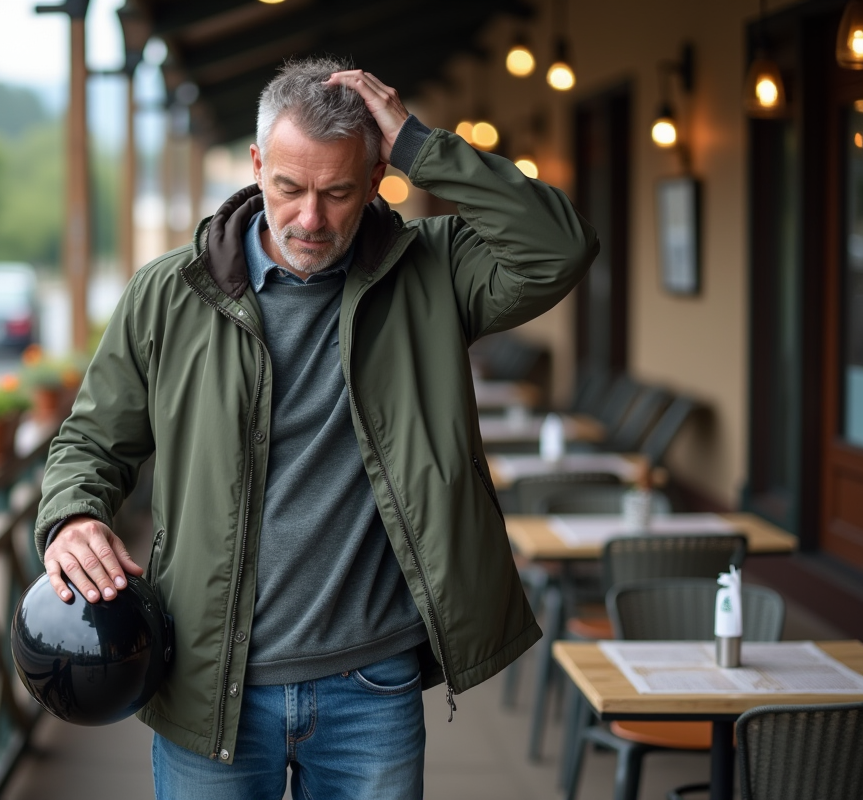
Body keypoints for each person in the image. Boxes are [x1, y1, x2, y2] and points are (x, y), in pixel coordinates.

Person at [35, 56, 598, 799]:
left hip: (372, 685)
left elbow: (558, 246)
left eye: (337, 193)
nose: (310, 219)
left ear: (375, 179)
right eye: (289, 188)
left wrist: (422, 144)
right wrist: (72, 516)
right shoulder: (169, 294)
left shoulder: (432, 271)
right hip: (207, 682)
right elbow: (90, 442)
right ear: (256, 164)